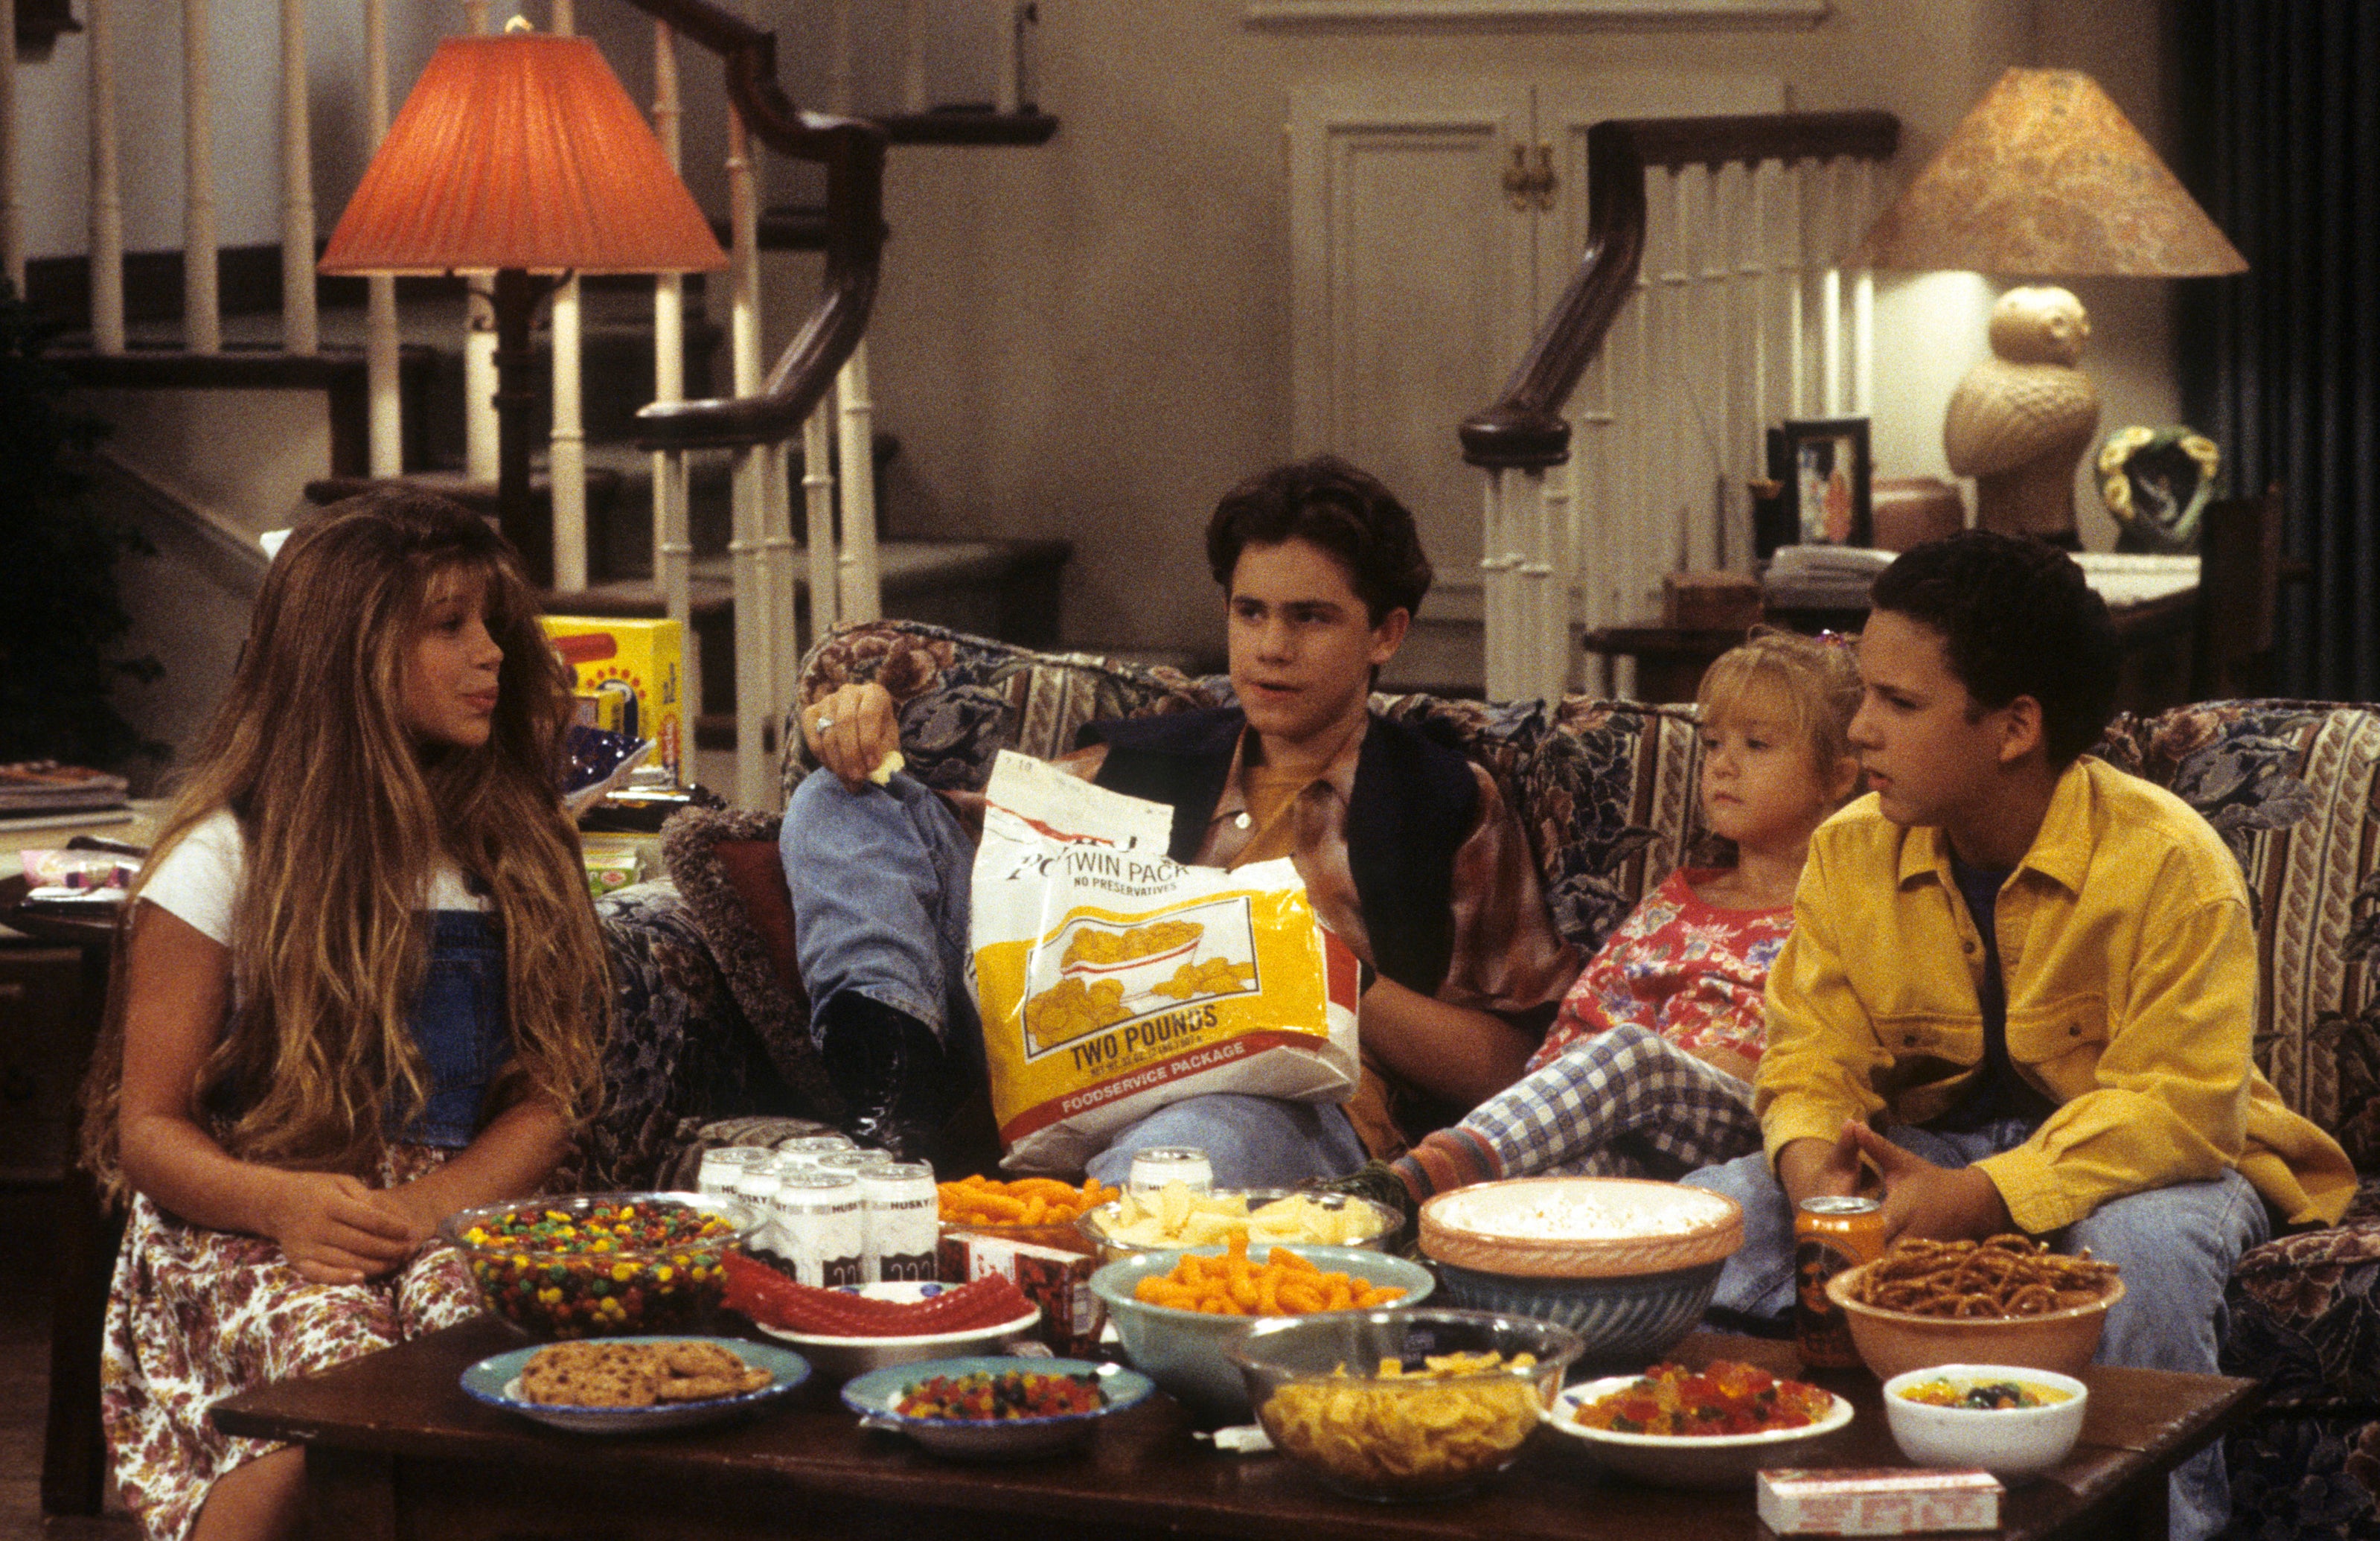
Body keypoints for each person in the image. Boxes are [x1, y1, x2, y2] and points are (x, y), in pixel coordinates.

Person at [1679, 531, 2355, 1541]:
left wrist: (1980, 1199)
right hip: (1925, 1159)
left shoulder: (2173, 862)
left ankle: (2171, 1526)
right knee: (1703, 1218)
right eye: (1863, 691)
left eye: (1897, 704)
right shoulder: (1847, 850)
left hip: (2152, 1170)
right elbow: (1810, 1055)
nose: (1857, 729)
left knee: (2143, 1248)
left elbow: (2178, 1109)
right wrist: (1819, 1184)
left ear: (2013, 726)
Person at [784, 455, 1578, 1184]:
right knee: (842, 800)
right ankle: (889, 1111)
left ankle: (1082, 1258)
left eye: (1311, 618)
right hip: (1069, 1054)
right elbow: (945, 847)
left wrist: (1323, 970)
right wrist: (854, 731)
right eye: (1251, 612)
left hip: (1266, 1106)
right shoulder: (1149, 757)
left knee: (1182, 1159)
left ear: (1386, 634)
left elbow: (1517, 1064)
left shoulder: (1446, 801)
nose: (1271, 647)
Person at [78, 492, 612, 1541]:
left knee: (483, 1374)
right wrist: (279, 1206)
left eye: (494, 623)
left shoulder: (512, 846)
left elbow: (553, 1097)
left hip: (461, 1206)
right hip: (253, 1217)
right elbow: (146, 1130)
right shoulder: (222, 858)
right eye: (449, 625)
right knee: (346, 1393)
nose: (491, 653)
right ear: (349, 653)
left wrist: (431, 1209)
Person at [1330, 629, 1863, 1237]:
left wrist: (1730, 1064)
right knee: (1564, 1178)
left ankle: (1410, 1181)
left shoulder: (1844, 907)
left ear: (1839, 776)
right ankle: (1424, 1252)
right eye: (1713, 743)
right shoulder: (1677, 899)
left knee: (1635, 1053)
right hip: (1641, 1128)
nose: (1723, 764)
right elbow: (1574, 1036)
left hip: (1757, 1126)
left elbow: (1853, 1055)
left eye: (1757, 745)